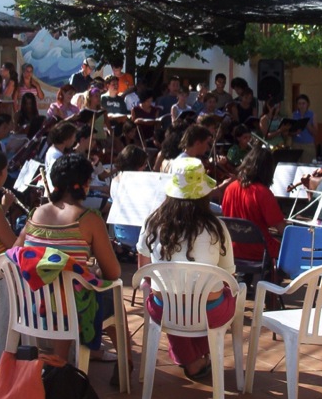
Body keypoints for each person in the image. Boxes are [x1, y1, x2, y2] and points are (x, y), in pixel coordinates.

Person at [15, 153, 127, 369]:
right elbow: (114, 273)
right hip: (72, 312)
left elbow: (15, 253)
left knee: (67, 290)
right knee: (112, 295)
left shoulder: (35, 214)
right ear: (85, 184)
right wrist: (92, 272)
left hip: (33, 305)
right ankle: (125, 364)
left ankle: (63, 360)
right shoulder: (89, 218)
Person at [137, 157, 236, 380]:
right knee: (223, 295)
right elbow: (228, 274)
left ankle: (190, 359)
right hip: (209, 313)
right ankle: (196, 358)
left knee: (173, 303)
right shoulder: (217, 228)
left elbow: (144, 269)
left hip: (165, 310)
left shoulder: (152, 223)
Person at [222, 145, 286, 263]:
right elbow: (282, 229)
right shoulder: (263, 193)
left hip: (233, 249)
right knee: (290, 248)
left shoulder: (230, 188)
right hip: (259, 250)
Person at [291, 94, 318, 163]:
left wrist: (307, 124)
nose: (301, 106)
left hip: (308, 145)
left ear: (307, 104)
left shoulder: (312, 114)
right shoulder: (293, 115)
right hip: (296, 144)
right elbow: (289, 132)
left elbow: (315, 132)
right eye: (299, 103)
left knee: (308, 166)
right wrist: (295, 132)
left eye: (303, 103)